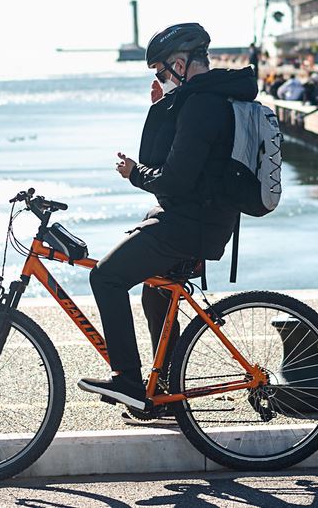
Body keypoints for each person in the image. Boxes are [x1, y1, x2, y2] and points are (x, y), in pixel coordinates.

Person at [81, 22, 257, 413]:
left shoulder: (202, 105)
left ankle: (127, 380)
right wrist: (160, 107)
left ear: (180, 63)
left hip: (189, 224)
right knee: (155, 293)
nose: (162, 78)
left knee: (106, 277)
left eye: (162, 71)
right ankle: (166, 393)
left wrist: (133, 174)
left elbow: (172, 179)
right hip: (200, 218)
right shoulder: (210, 98)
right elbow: (169, 165)